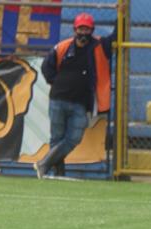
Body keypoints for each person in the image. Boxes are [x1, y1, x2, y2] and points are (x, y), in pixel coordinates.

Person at [34, 13, 116, 178]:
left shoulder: (100, 46)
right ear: (75, 29)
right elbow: (46, 67)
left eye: (87, 29)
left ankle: (43, 164)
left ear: (92, 30)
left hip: (81, 103)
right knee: (56, 138)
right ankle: (58, 173)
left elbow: (115, 36)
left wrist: (121, 14)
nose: (83, 32)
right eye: (81, 28)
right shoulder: (63, 47)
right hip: (58, 99)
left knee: (74, 138)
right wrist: (56, 83)